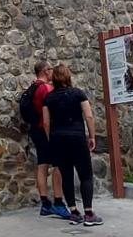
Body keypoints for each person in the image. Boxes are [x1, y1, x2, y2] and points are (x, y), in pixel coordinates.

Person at [42, 64, 103, 226]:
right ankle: (89, 213)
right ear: (69, 76)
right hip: (77, 137)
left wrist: (51, 139)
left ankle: (74, 212)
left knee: (66, 175)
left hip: (58, 138)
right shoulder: (78, 94)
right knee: (85, 175)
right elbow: (88, 116)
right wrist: (92, 136)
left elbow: (46, 122)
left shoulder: (48, 98)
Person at [27, 60, 68, 217]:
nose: (52, 72)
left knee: (42, 165)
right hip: (48, 130)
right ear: (45, 71)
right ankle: (58, 201)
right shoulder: (46, 88)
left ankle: (45, 203)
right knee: (58, 166)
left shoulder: (33, 86)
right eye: (50, 69)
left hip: (36, 130)